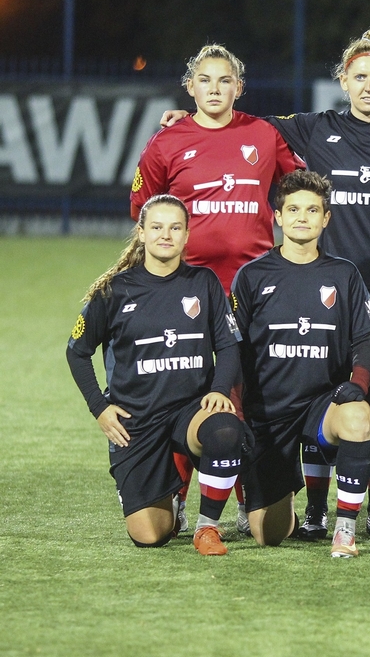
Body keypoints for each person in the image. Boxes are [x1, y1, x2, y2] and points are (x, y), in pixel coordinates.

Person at [163, 29, 370, 540]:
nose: (369, 86)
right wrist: (192, 122)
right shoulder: (313, 128)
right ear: (343, 81)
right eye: (359, 77)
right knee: (315, 386)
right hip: (317, 283)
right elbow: (245, 125)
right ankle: (311, 509)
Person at [133, 44, 304, 533]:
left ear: (239, 87)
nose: (214, 88)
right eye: (205, 80)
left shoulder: (263, 133)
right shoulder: (166, 142)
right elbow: (143, 210)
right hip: (186, 291)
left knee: (253, 389)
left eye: (224, 80)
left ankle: (253, 488)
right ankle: (176, 495)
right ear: (190, 88)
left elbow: (302, 189)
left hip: (256, 291)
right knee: (184, 390)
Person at [66, 194, 245, 555]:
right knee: (150, 535)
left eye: (175, 227)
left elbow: (229, 345)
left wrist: (220, 388)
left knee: (225, 428)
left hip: (189, 410)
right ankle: (170, 504)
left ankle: (207, 527)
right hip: (137, 420)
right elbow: (77, 351)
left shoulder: (204, 282)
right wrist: (100, 408)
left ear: (187, 235)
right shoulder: (114, 291)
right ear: (142, 233)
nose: (166, 235)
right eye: (158, 227)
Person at [230, 170, 370, 557]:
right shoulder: (251, 276)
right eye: (292, 209)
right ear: (277, 217)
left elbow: (364, 337)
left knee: (358, 417)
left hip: (319, 406)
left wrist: (358, 385)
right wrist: (237, 406)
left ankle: (345, 529)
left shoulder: (343, 274)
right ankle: (286, 490)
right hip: (268, 414)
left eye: (312, 210)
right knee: (269, 534)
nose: (301, 217)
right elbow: (234, 348)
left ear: (326, 218)